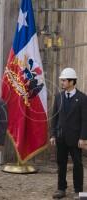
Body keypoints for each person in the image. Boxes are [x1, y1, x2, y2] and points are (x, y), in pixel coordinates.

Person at [51, 67, 87, 200]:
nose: (62, 83)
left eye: (64, 81)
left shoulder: (82, 98)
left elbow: (85, 120)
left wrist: (83, 138)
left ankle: (79, 191)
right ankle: (61, 189)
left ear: (72, 82)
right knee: (61, 163)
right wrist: (53, 134)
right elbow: (54, 117)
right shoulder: (58, 97)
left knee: (78, 164)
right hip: (61, 137)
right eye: (62, 80)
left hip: (76, 139)